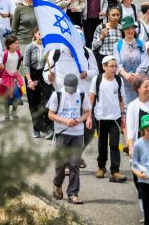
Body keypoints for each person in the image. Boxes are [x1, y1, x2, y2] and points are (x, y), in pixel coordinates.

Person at [48, 73, 91, 205]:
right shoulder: (58, 95)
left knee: (74, 164)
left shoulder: (82, 94)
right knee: (61, 164)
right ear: (64, 86)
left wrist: (79, 120)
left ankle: (73, 193)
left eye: (73, 89)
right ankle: (57, 184)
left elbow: (87, 112)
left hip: (77, 133)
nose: (71, 91)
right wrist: (65, 121)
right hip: (62, 132)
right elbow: (50, 114)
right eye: (68, 88)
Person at [89, 56, 127, 183]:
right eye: (111, 66)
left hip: (115, 117)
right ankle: (101, 167)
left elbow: (121, 99)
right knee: (102, 144)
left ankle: (115, 171)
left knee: (115, 144)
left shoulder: (118, 80)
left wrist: (123, 116)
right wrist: (89, 116)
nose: (114, 69)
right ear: (104, 66)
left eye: (116, 66)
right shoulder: (97, 79)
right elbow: (91, 98)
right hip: (100, 117)